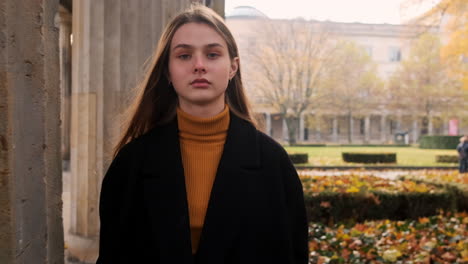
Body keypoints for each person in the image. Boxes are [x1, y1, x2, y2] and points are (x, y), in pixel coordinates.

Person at [96, 4, 308, 264]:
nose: (199, 65)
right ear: (168, 71)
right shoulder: (130, 164)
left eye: (212, 54)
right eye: (184, 56)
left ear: (233, 67)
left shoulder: (274, 163)